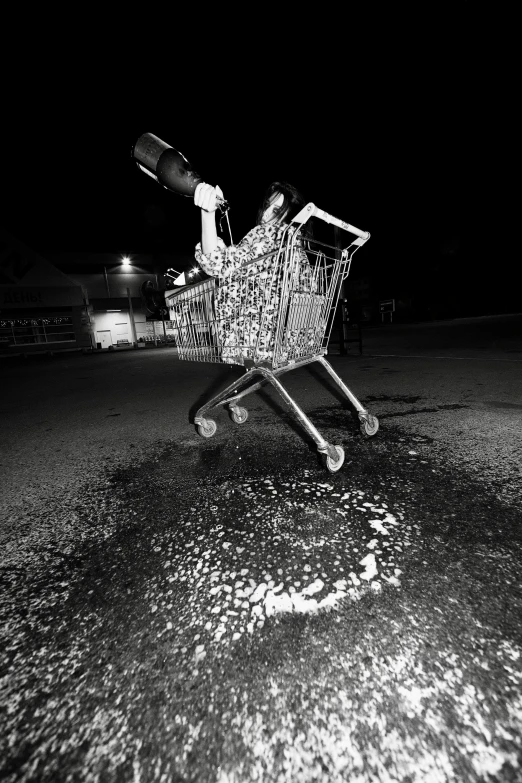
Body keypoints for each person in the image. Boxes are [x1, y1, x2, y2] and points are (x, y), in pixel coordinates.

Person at [190, 180, 315, 364]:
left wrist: (207, 213)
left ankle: (159, 297)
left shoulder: (270, 233)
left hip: (258, 337)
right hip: (291, 338)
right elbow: (247, 267)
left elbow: (215, 265)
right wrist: (226, 250)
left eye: (276, 211)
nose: (265, 214)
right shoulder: (295, 246)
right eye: (267, 206)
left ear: (290, 216)